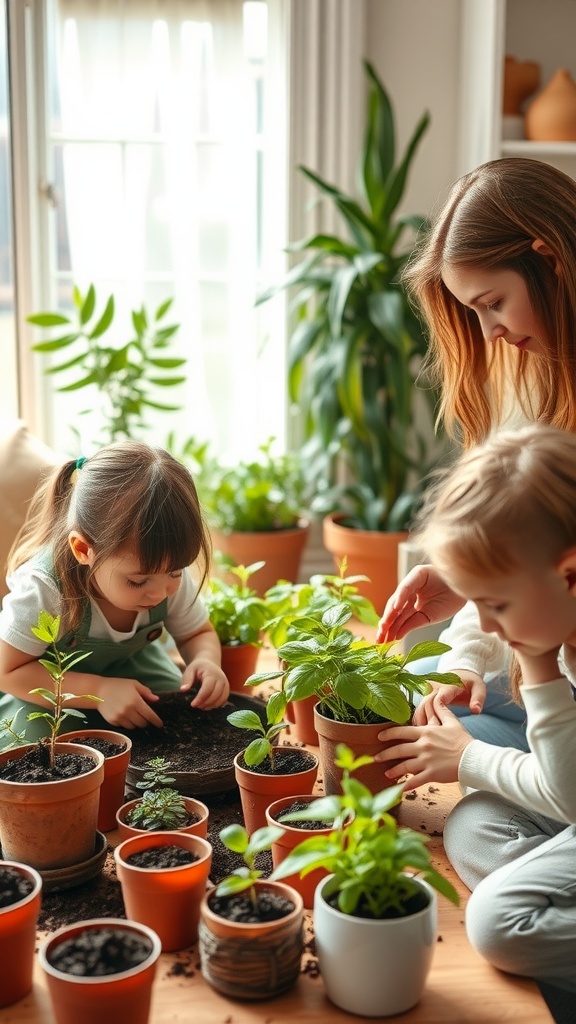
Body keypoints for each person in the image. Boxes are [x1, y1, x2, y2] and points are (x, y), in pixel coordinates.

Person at [379, 156, 576, 752]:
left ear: (549, 259)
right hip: (552, 667)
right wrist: (474, 593)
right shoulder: (550, 374)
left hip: (556, 667)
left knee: (478, 803)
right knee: (425, 690)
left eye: (493, 302)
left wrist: (472, 764)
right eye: (473, 311)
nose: (488, 331)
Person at [377, 423, 576, 994]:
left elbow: (567, 794)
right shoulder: (556, 597)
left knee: (499, 924)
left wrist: (469, 760)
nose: (485, 621)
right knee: (470, 824)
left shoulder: (544, 643)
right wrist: (473, 656)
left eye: (497, 604)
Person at [0, 441, 229, 749]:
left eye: (175, 573)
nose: (161, 592)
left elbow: (196, 633)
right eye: (137, 581)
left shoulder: (164, 570)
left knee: (180, 717)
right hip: (50, 687)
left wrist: (206, 660)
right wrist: (99, 692)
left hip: (134, 666)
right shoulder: (44, 589)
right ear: (83, 550)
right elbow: (9, 671)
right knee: (37, 746)